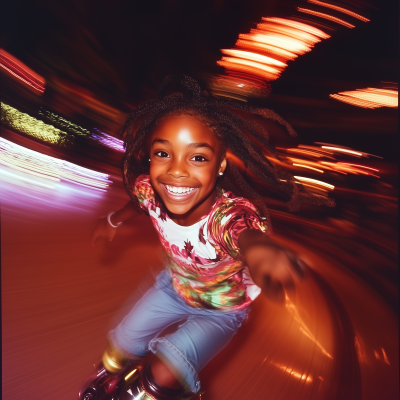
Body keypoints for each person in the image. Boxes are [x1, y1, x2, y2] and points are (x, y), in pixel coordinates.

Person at [79, 75, 333, 400]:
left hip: (222, 311)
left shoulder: (227, 217)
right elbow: (138, 203)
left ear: (220, 165)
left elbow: (244, 233)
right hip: (173, 288)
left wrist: (261, 251)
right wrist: (113, 220)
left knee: (163, 373)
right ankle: (110, 374)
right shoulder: (149, 189)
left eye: (197, 157)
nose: (176, 171)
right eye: (162, 154)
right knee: (120, 347)